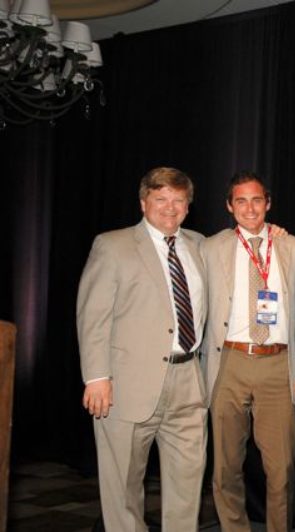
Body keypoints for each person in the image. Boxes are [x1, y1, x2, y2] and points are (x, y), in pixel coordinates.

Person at [77, 167, 207, 530]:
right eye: (161, 199)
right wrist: (97, 377)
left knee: (187, 491)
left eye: (178, 201)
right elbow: (93, 317)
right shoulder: (112, 245)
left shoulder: (200, 245)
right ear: (143, 202)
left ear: (187, 206)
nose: (170, 208)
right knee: (123, 492)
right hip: (125, 387)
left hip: (189, 384)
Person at [202, 171, 295, 532]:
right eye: (241, 201)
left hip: (278, 365)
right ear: (230, 206)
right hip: (228, 362)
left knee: (282, 469)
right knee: (225, 466)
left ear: (268, 204)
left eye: (257, 200)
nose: (250, 207)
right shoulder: (210, 247)